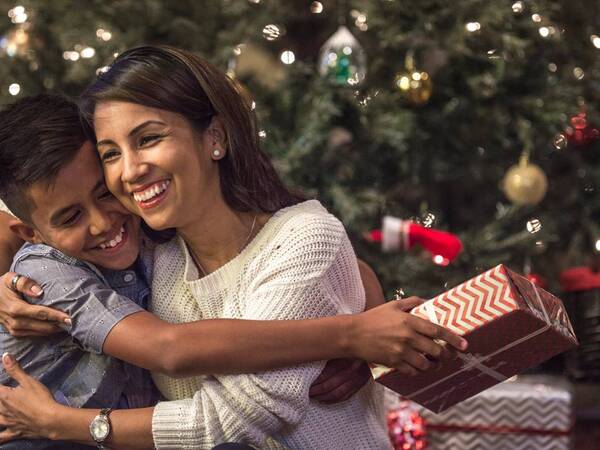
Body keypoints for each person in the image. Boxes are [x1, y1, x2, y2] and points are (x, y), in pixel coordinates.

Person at [0, 46, 467, 449]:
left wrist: (66, 424)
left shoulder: (304, 240)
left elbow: (226, 423)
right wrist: (7, 283)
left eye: (148, 139)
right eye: (111, 154)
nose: (130, 170)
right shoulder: (154, 250)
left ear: (215, 137)